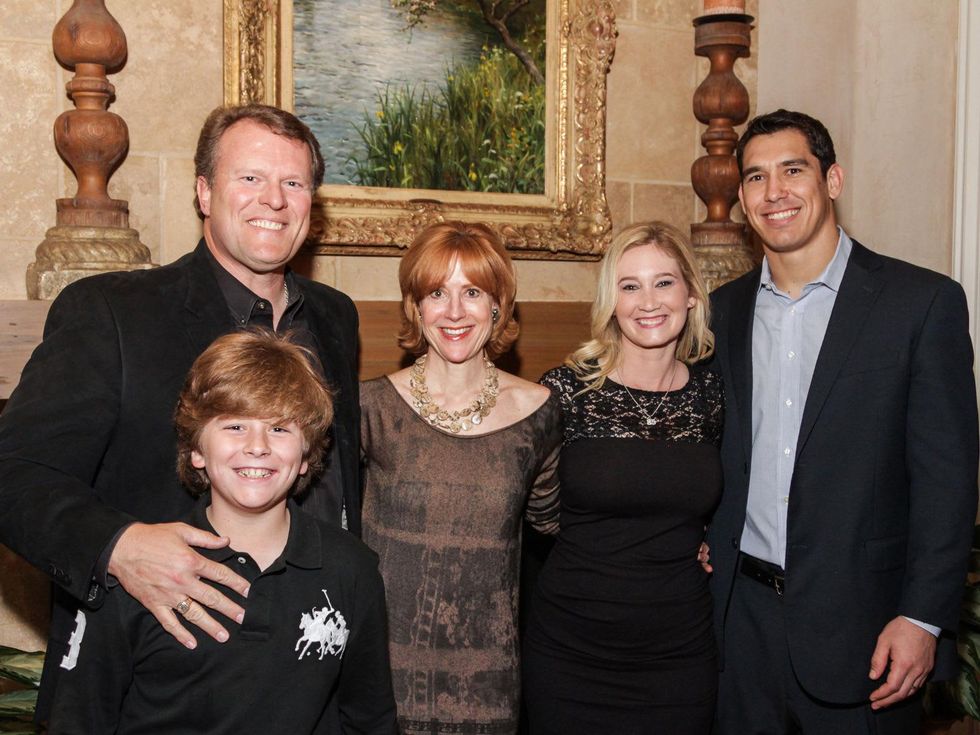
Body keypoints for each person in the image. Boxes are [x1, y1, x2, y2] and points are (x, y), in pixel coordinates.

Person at [0, 104, 360, 715]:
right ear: (203, 192)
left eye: (293, 183)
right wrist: (119, 545)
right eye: (249, 178)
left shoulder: (335, 316)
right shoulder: (113, 314)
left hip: (309, 676)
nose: (273, 199)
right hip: (159, 684)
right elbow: (15, 473)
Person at [707, 109, 979, 734]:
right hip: (737, 627)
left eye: (792, 170)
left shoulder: (921, 304)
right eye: (754, 177)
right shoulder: (721, 313)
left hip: (867, 629)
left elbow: (947, 479)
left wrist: (922, 617)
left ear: (832, 180)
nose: (773, 192)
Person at [46, 330, 396, 734]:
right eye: (234, 427)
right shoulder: (139, 570)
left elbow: (370, 720)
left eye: (280, 429)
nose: (258, 446)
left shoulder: (350, 569)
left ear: (306, 456)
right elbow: (80, 720)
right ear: (197, 450)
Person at [359, 221, 561, 735]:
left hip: (487, 681)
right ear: (415, 307)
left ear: (498, 305)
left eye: (472, 292)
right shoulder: (370, 409)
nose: (453, 312)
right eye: (436, 293)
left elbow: (559, 526)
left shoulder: (538, 412)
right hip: (380, 670)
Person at [522, 221, 723, 734]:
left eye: (664, 282)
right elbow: (522, 510)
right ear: (611, 301)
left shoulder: (714, 394)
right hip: (570, 651)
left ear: (692, 295)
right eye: (630, 285)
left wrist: (715, 539)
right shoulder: (567, 392)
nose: (648, 301)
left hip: (679, 657)